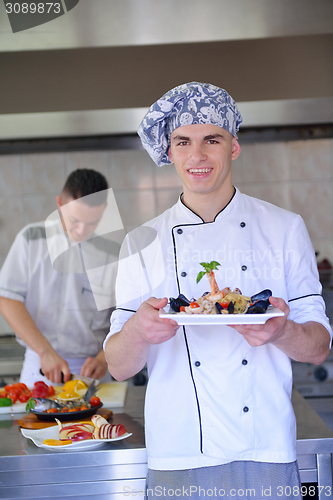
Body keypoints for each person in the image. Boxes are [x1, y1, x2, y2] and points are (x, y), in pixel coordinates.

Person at [104, 83, 332, 499]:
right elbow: (118, 367)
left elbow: (318, 348)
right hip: (178, 453)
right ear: (169, 152)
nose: (197, 156)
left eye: (212, 139)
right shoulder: (140, 242)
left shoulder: (283, 228)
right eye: (183, 142)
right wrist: (138, 331)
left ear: (234, 147)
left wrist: (282, 332)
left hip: (266, 448)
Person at [0, 168, 119, 386]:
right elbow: (7, 299)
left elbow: (125, 316)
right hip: (41, 366)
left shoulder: (115, 254)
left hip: (95, 372)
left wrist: (105, 358)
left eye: (92, 222)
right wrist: (44, 351)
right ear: (59, 204)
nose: (82, 229)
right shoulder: (30, 239)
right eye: (74, 220)